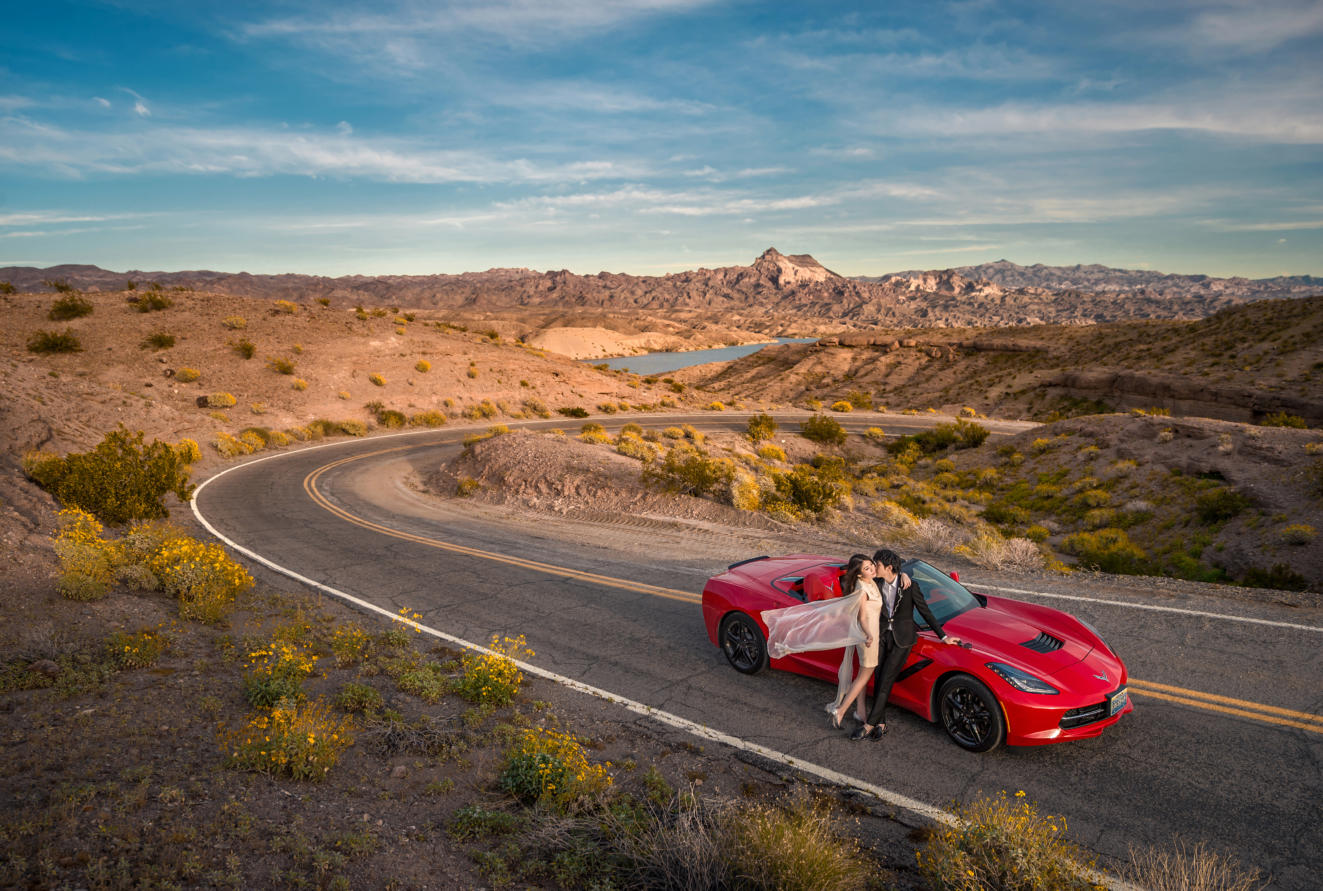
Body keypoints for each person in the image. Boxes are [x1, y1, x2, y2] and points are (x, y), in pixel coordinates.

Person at [761, 554, 881, 731]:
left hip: (871, 633)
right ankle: (840, 711)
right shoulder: (862, 589)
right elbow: (862, 616)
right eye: (867, 568)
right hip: (868, 636)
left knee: (863, 676)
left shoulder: (872, 582)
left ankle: (860, 712)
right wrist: (869, 635)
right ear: (858, 574)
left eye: (871, 565)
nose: (872, 569)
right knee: (865, 675)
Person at [852, 548, 962, 741]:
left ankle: (869, 724)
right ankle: (881, 723)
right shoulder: (875, 583)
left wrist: (944, 637)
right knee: (878, 677)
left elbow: (926, 612)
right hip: (881, 635)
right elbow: (857, 580)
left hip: (903, 639)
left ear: (889, 567)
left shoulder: (909, 586)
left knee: (886, 678)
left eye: (877, 564)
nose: (874, 567)